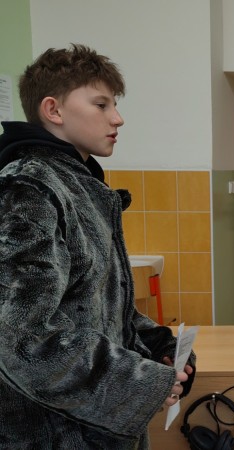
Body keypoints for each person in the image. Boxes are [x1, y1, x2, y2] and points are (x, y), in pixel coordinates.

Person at [0, 44, 196, 448]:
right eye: (101, 105)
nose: (117, 118)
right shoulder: (28, 189)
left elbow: (94, 306)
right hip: (53, 434)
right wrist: (138, 381)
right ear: (53, 110)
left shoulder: (78, 185)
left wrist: (155, 345)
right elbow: (22, 339)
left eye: (115, 105)